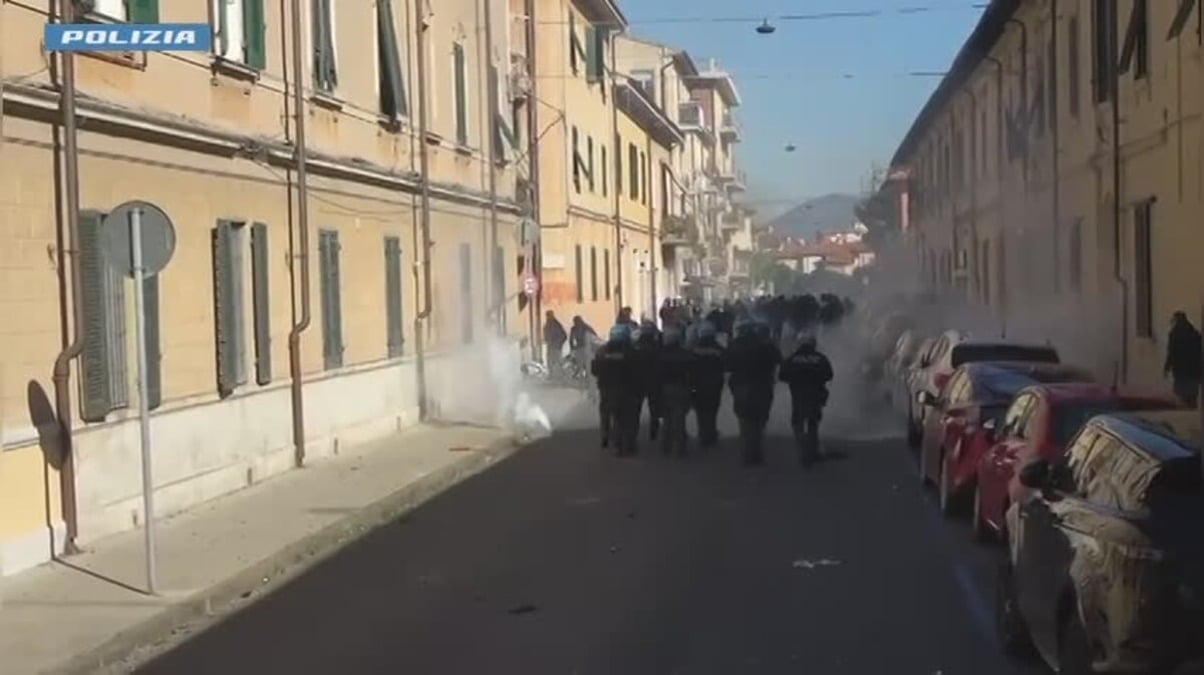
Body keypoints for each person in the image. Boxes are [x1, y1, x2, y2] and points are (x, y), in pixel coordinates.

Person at [725, 317, 781, 466]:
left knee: (744, 420)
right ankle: (756, 451)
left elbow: (727, 365)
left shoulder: (734, 345)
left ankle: (747, 453)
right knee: (760, 420)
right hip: (762, 386)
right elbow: (779, 359)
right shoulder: (765, 345)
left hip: (741, 386)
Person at [778, 332, 834, 467]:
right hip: (816, 395)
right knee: (813, 422)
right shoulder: (820, 358)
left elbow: (782, 376)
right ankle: (812, 450)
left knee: (797, 421)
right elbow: (829, 375)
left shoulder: (792, 358)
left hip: (798, 395)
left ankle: (801, 445)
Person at [591, 324, 639, 455]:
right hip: (627, 388)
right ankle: (629, 443)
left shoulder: (602, 351)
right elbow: (638, 370)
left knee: (607, 413)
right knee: (629, 416)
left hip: (607, 388)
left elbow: (594, 370)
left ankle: (606, 436)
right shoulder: (631, 351)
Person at [657, 325, 696, 457]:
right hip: (681, 388)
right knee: (679, 418)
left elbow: (655, 373)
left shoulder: (660, 355)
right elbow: (693, 371)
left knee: (667, 418)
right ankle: (680, 446)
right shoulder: (685, 354)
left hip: (664, 388)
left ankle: (665, 445)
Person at [691, 320, 727, 448]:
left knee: (700, 410)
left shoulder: (693, 349)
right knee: (712, 409)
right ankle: (710, 432)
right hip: (714, 383)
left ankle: (703, 433)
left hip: (698, 384)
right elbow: (726, 363)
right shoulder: (718, 348)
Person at [632, 320, 663, 442]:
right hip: (653, 382)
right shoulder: (657, 347)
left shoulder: (635, 347)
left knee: (635, 409)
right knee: (654, 408)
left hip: (638, 382)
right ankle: (653, 432)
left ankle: (633, 432)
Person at [1165, 311, 1202, 406]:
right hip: (1193, 373)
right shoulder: (1195, 334)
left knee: (1180, 400)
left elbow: (1171, 353)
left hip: (1180, 373)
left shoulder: (1174, 335)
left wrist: (1166, 368)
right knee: (1192, 399)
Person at [543, 311, 568, 377]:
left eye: (549, 316)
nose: (548, 317)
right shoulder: (548, 325)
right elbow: (546, 336)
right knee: (551, 361)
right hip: (551, 346)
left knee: (557, 361)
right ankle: (552, 375)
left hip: (556, 347)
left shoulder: (557, 325)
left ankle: (560, 375)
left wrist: (559, 343)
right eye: (548, 316)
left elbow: (564, 336)